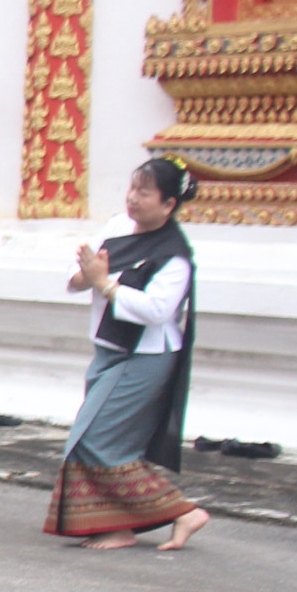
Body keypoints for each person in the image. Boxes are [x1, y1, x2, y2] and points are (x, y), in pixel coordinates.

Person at [47, 158, 212, 552]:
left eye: (145, 192)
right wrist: (86, 277)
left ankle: (183, 512)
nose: (133, 198)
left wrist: (105, 284)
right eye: (133, 188)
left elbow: (157, 310)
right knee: (103, 442)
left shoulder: (175, 256)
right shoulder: (118, 227)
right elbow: (78, 274)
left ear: (169, 204)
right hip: (108, 350)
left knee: (95, 439)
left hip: (145, 357)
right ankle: (118, 527)